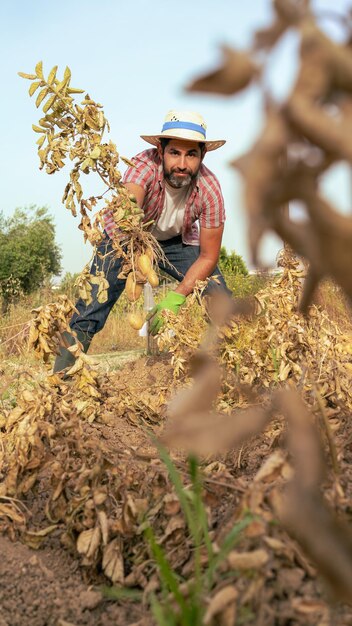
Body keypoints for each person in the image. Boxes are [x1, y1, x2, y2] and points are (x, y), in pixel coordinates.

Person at [54, 110, 230, 373]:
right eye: (175, 153)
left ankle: (228, 368)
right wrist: (135, 256)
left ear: (202, 155)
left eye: (191, 154)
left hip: (175, 244)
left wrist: (176, 297)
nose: (182, 164)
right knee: (90, 305)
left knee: (219, 298)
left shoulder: (210, 189)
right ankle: (61, 379)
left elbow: (208, 256)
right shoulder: (143, 167)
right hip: (125, 237)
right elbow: (128, 212)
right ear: (160, 151)